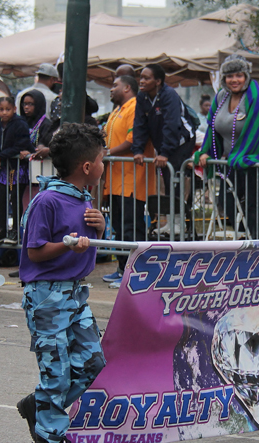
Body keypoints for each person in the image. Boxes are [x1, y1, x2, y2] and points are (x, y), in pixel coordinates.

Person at [15, 123, 106, 443]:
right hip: (47, 296)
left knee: (92, 363)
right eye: (101, 160)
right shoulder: (47, 200)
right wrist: (67, 243)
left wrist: (101, 226)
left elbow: (92, 239)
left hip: (75, 294)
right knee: (57, 373)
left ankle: (38, 406)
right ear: (87, 167)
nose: (103, 165)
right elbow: (35, 252)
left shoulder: (83, 198)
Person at [194, 54, 259, 240]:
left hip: (254, 159)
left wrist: (240, 155)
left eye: (239, 75)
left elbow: (258, 129)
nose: (234, 80)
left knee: (253, 203)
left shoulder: (256, 97)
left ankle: (254, 244)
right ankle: (243, 236)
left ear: (246, 76)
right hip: (231, 162)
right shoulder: (221, 97)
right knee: (226, 199)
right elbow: (212, 127)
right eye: (230, 76)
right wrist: (206, 151)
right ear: (223, 78)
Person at [132, 63, 196, 236]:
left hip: (182, 140)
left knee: (175, 177)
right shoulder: (142, 97)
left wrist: (165, 153)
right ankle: (170, 221)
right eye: (141, 77)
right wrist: (137, 149)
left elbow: (172, 125)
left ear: (158, 81)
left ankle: (179, 222)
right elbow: (139, 125)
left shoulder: (169, 95)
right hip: (163, 144)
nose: (142, 81)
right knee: (167, 180)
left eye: (147, 78)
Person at [102, 75, 152, 288]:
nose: (111, 89)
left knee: (132, 227)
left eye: (115, 85)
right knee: (118, 227)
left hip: (131, 179)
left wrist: (108, 153)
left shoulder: (134, 107)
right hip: (114, 180)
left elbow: (133, 141)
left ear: (127, 88)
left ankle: (135, 272)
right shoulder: (117, 110)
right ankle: (122, 268)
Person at [0, 96, 34, 246]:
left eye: (8, 109)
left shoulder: (20, 123)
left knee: (15, 198)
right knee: (0, 196)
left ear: (14, 109)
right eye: (1, 109)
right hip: (4, 167)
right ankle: (1, 230)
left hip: (17, 167)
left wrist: (0, 155)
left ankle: (15, 231)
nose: (4, 113)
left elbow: (22, 144)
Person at [20, 90, 53, 161]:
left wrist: (31, 152)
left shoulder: (46, 124)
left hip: (38, 165)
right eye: (24, 104)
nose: (26, 107)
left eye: (30, 104)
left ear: (38, 105)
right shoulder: (20, 122)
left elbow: (44, 143)